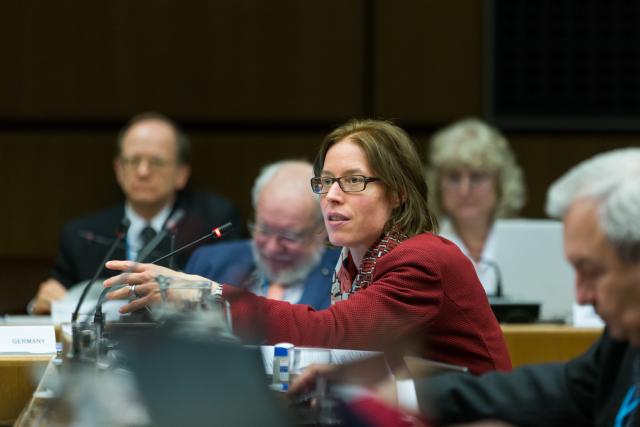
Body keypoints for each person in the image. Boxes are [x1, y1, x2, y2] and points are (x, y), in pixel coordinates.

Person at [105, 119, 511, 375]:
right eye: (326, 182)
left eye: (353, 181)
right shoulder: (357, 259)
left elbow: (331, 333)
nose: (332, 196)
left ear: (399, 193)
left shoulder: (422, 260)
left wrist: (202, 293)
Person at [292, 148, 640, 426]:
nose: (580, 294)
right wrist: (396, 397)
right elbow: (556, 390)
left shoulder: (422, 257)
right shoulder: (623, 346)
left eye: (591, 270)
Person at [30, 112, 245, 314]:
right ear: (118, 170)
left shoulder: (212, 225)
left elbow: (235, 301)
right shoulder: (81, 235)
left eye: (156, 162)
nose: (142, 172)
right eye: (133, 161)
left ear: (181, 173)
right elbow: (53, 298)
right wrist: (43, 303)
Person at [185, 160, 339, 309]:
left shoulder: (347, 280)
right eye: (264, 230)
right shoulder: (210, 264)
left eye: (289, 236)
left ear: (322, 228)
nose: (272, 248)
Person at [426, 119, 526, 295]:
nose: (465, 191)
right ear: (437, 185)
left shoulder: (527, 242)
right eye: (454, 178)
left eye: (477, 177)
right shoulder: (421, 247)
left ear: (501, 183)